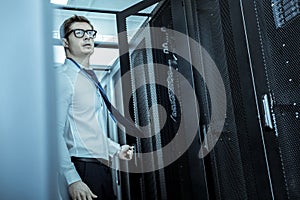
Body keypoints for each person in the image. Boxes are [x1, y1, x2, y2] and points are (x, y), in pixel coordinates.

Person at [56, 15, 134, 200]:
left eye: (90, 33)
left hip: (100, 168)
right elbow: (53, 132)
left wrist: (115, 149)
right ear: (65, 42)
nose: (87, 37)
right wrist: (73, 179)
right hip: (83, 169)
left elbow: (89, 129)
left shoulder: (88, 79)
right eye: (79, 33)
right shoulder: (63, 78)